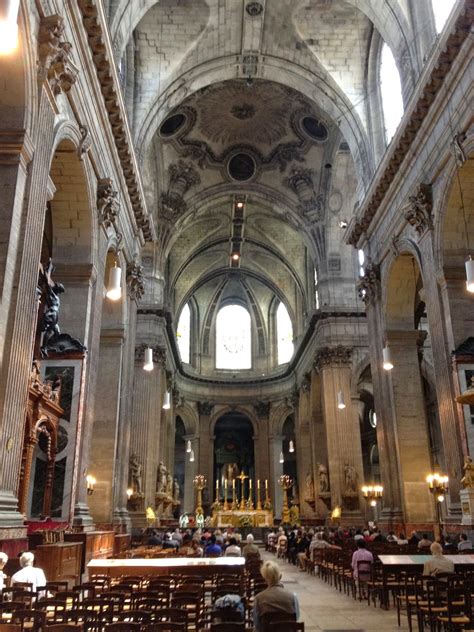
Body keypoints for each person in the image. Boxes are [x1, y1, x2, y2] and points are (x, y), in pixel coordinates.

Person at [253, 560, 299, 631]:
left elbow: (257, 625)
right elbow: (296, 618)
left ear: (265, 579)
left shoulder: (259, 599)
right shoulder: (292, 597)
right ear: (280, 576)